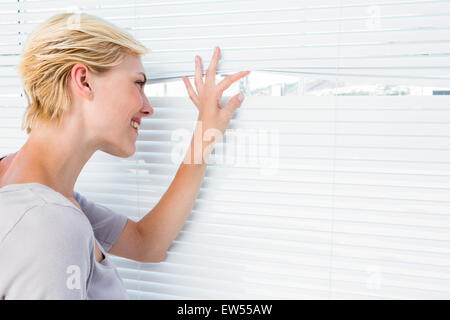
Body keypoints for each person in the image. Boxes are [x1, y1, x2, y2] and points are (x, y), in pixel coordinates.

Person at [0, 12, 250, 299]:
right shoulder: (49, 222)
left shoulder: (37, 189)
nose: (148, 108)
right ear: (84, 81)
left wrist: (205, 133)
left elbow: (148, 243)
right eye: (138, 84)